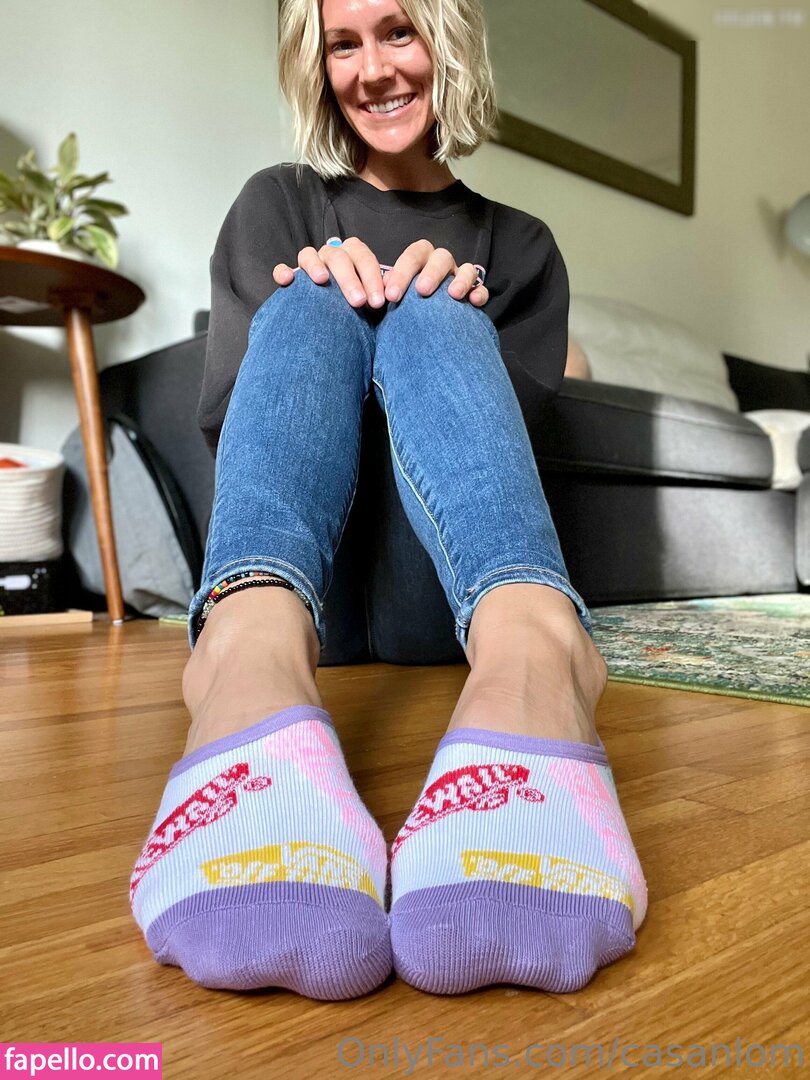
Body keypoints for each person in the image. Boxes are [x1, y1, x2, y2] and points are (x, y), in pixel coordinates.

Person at [129, 0, 647, 1000]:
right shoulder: (279, 202)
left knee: (437, 308)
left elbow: (502, 458)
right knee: (312, 296)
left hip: (449, 602)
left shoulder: (522, 244)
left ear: (447, 41)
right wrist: (316, 297)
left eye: (398, 30)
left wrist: (447, 312)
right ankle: (240, 658)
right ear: (319, 65)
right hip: (301, 589)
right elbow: (239, 426)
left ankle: (539, 651)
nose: (372, 67)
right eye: (343, 42)